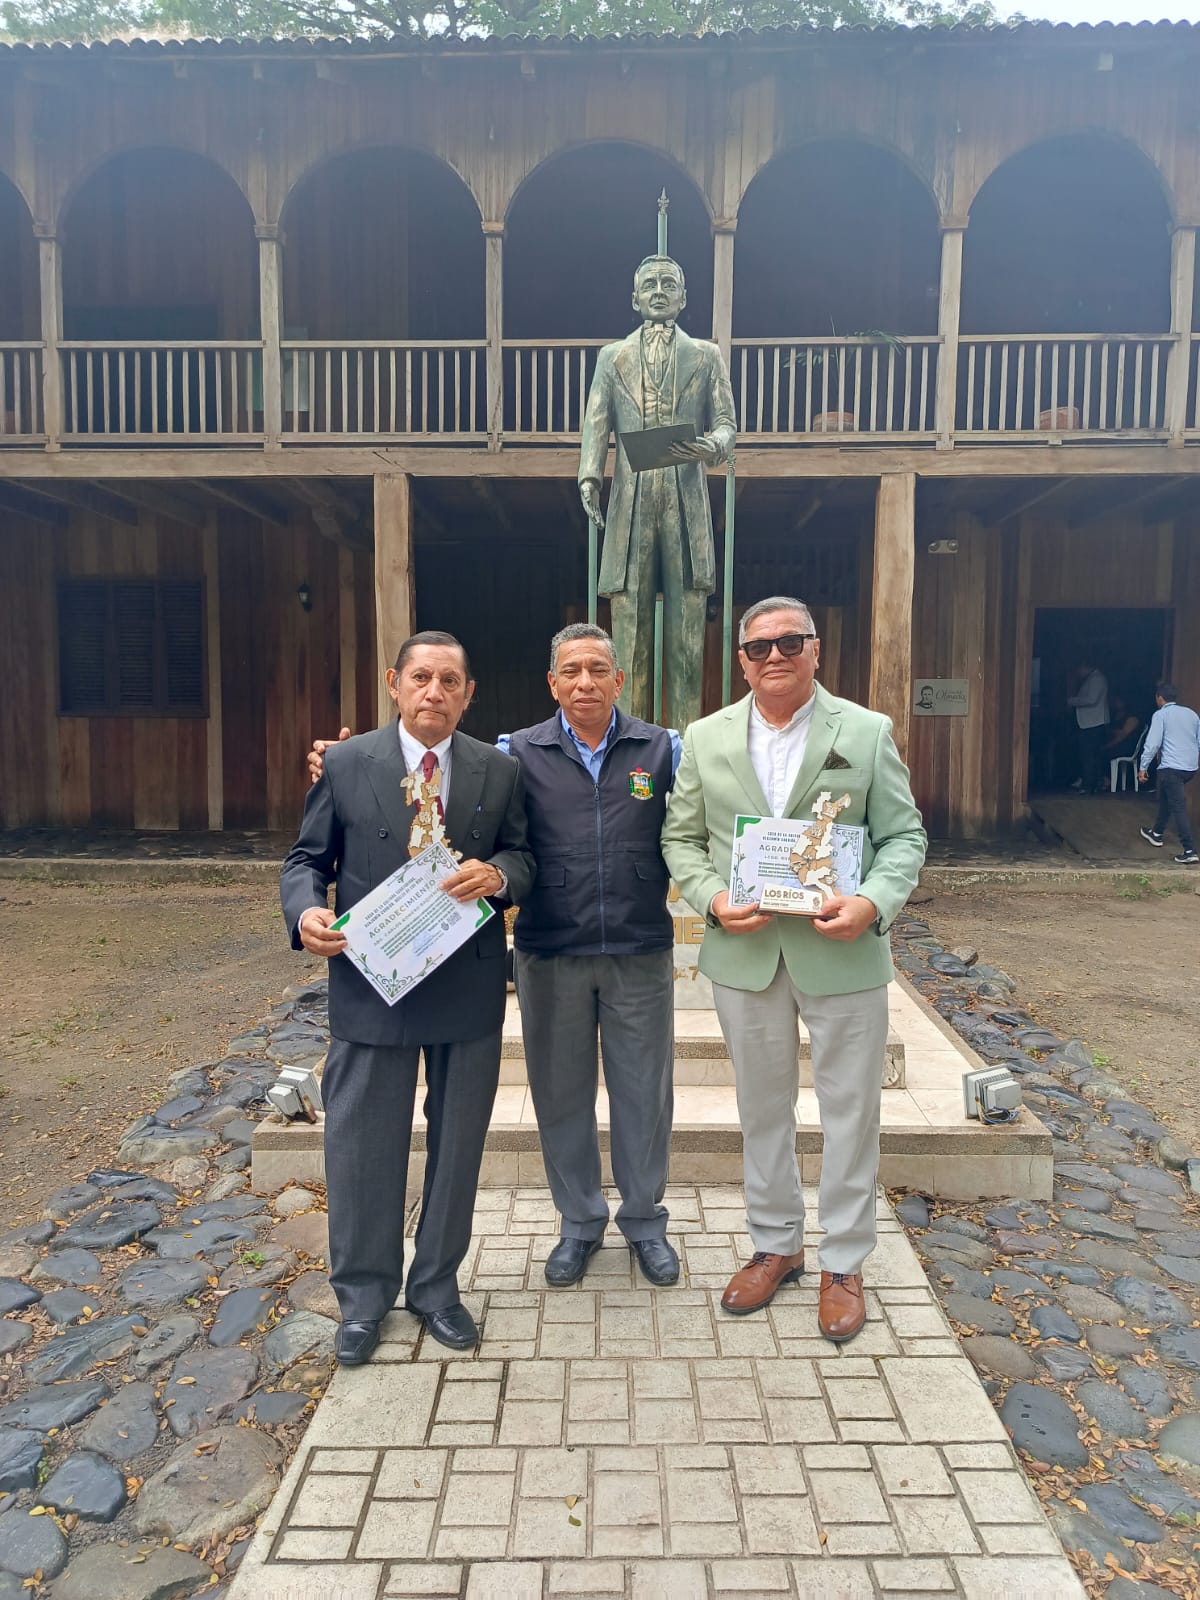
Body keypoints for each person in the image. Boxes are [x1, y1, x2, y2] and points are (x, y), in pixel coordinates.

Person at [307, 621, 683, 1291]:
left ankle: (645, 1223)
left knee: (645, 1098)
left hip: (639, 949)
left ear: (619, 680)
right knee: (559, 1096)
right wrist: (346, 758)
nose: (585, 682)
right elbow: (426, 755)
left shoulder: (663, 750)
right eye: (571, 671)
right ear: (552, 683)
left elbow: (717, 803)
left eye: (599, 669)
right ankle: (579, 1222)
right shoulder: (517, 753)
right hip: (550, 949)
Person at [661, 596, 927, 1343]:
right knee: (762, 1108)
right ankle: (777, 1244)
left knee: (851, 1111)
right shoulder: (706, 737)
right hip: (745, 952)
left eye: (789, 642)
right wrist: (712, 899)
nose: (774, 656)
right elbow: (681, 840)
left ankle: (845, 1261)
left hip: (842, 951)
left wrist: (873, 902)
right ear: (741, 661)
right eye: (759, 647)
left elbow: (904, 837)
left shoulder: (865, 732)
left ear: (816, 650)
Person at [281, 632, 535, 1363]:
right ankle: (363, 1300)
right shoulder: (347, 762)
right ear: (394, 683)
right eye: (421, 677)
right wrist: (306, 911)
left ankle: (436, 1288)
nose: (435, 692)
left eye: (450, 681)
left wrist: (500, 876)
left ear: (468, 693)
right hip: (372, 982)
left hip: (466, 983)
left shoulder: (497, 769)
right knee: (362, 1145)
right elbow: (307, 859)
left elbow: (525, 854)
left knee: (457, 1147)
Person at [579, 254, 736, 731]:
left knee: (688, 626)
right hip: (632, 496)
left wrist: (714, 445)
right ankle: (631, 741)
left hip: (685, 495)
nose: (660, 291)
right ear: (635, 298)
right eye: (650, 284)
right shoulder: (612, 357)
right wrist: (590, 476)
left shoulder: (706, 355)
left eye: (669, 284)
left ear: (683, 298)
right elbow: (597, 420)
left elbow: (726, 422)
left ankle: (687, 745)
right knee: (628, 624)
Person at [1138, 681, 1200, 865]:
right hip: (1190, 768)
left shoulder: (1161, 715)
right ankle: (1156, 833)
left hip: (1171, 768)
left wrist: (1143, 767)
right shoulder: (1191, 714)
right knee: (1168, 798)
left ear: (1159, 698)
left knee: (1178, 806)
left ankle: (1189, 850)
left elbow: (1153, 744)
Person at [1068, 658, 1109, 794]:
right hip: (1091, 722)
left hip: (1093, 723)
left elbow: (1092, 700)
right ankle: (1092, 784)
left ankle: (1088, 786)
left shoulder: (1097, 679)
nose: (1078, 672)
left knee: (1089, 756)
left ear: (1085, 667)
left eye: (1080, 669)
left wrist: (1072, 701)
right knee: (1091, 755)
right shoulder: (1093, 678)